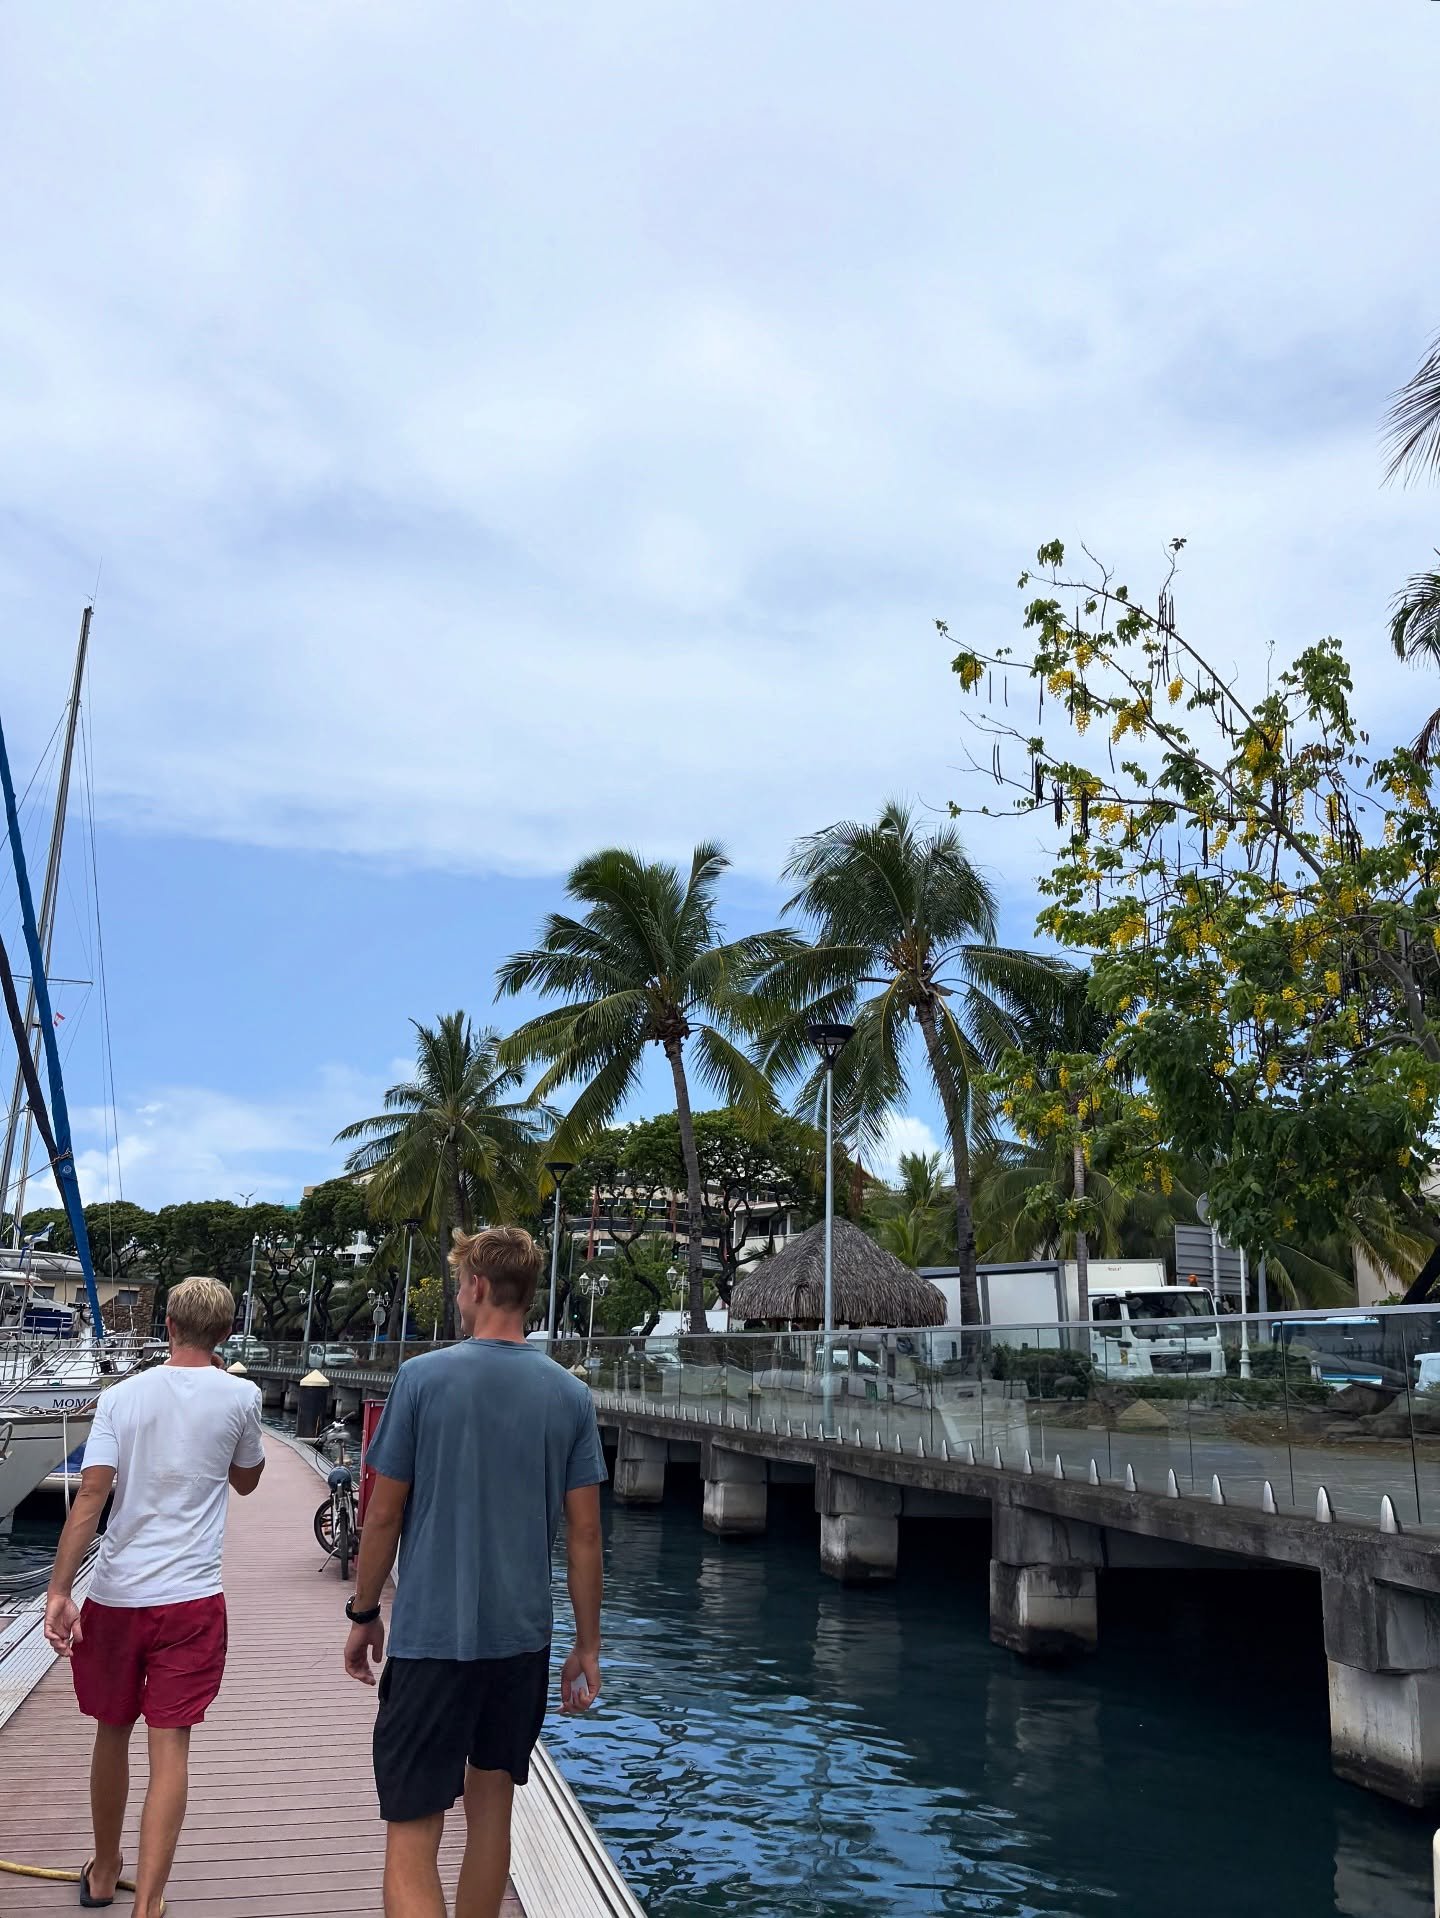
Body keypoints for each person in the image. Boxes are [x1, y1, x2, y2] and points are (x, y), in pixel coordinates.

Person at [345, 1224, 606, 1918]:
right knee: (492, 1815)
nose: (461, 1294)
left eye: (462, 1282)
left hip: (432, 1640)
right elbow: (585, 1534)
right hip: (520, 1643)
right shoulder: (571, 1397)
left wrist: (364, 1612)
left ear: (481, 1287)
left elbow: (381, 1515)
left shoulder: (422, 1378)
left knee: (413, 1829)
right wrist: (588, 1644)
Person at [43, 1275, 265, 1917]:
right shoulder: (242, 1396)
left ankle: (106, 1870)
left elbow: (92, 1494)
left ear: (167, 1324)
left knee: (111, 1732)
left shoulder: (122, 1396)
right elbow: (247, 1482)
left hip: (116, 1595)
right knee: (171, 1745)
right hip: (192, 1600)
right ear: (224, 1333)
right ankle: (151, 1904)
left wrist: (61, 1589)